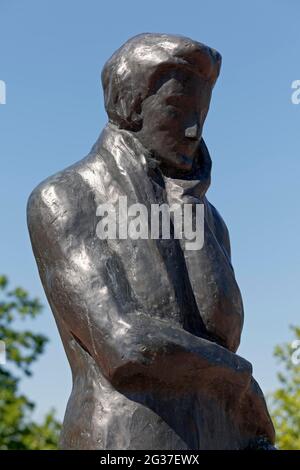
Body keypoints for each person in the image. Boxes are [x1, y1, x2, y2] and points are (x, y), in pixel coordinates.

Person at [27, 33, 275, 449]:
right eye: (177, 111)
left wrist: (189, 201)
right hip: (128, 442)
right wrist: (242, 382)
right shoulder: (65, 196)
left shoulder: (207, 218)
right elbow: (125, 344)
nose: (195, 130)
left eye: (202, 114)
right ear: (130, 107)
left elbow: (224, 331)